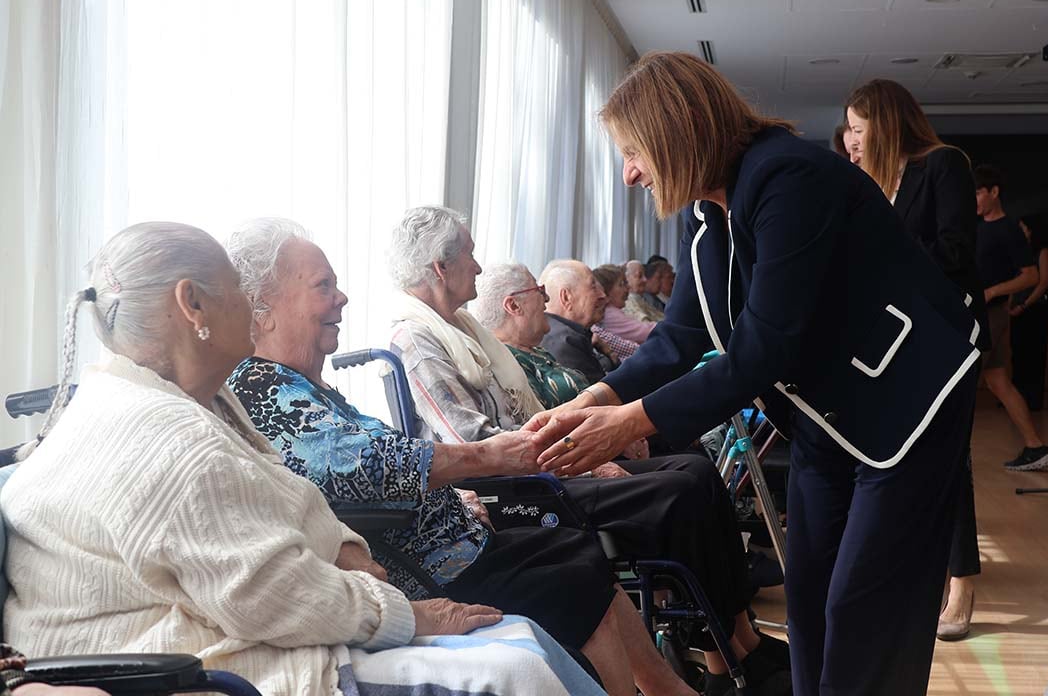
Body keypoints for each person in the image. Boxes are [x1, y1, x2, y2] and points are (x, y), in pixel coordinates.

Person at [528, 51, 981, 696]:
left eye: (634, 152)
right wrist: (588, 402)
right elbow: (682, 335)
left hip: (909, 402)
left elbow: (763, 348)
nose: (629, 175)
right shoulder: (707, 214)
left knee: (864, 604)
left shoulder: (789, 177)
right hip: (831, 416)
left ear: (676, 132)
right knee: (810, 592)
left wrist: (628, 421)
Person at [1, 222, 600, 696]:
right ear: (193, 306)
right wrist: (402, 612)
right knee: (516, 665)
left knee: (521, 637)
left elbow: (286, 492)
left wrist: (345, 549)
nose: (250, 304)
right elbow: (270, 595)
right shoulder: (166, 439)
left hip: (228, 632)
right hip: (207, 666)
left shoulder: (173, 400)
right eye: (238, 290)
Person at [223, 219, 651, 695]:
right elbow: (363, 466)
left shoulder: (301, 384)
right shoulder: (264, 388)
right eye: (324, 287)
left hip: (454, 546)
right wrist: (489, 456)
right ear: (262, 309)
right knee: (571, 569)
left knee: (574, 550)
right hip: (425, 574)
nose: (341, 298)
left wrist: (458, 487)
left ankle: (655, 686)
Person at [386, 206, 791, 696]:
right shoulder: (417, 338)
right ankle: (723, 658)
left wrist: (588, 442)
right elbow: (472, 440)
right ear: (439, 268)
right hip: (513, 486)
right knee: (679, 490)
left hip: (543, 463)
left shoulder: (464, 328)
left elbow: (527, 416)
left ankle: (737, 639)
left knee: (695, 471)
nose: (477, 265)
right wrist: (585, 451)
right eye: (470, 255)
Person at [843, 78, 986, 643]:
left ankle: (962, 585)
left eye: (857, 128)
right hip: (895, 342)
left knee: (953, 460)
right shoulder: (874, 184)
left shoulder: (943, 164)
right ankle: (919, 575)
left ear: (885, 122)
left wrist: (880, 252)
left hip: (946, 338)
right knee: (907, 458)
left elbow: (955, 254)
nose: (850, 139)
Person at [974, 165, 1048, 471]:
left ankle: (950, 458)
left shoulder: (1009, 229)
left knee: (964, 382)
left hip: (990, 316)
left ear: (994, 192)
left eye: (979, 193)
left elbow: (1031, 276)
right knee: (998, 382)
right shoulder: (978, 226)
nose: (975, 199)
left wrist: (992, 292)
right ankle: (1036, 447)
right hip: (980, 312)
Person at [473, 262, 592, 409]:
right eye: (539, 290)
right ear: (514, 306)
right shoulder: (502, 365)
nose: (547, 298)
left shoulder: (536, 351)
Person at [542, 260, 622, 382]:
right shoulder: (566, 342)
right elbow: (601, 396)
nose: (603, 296)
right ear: (566, 297)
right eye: (593, 287)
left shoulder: (564, 331)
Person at [1010, 215, 1048, 411]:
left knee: (1035, 354)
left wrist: (1025, 305)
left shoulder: (1043, 252)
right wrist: (1012, 304)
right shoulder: (1021, 252)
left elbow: (1044, 282)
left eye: (1023, 228)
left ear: (1032, 230)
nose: (1020, 231)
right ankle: (1017, 397)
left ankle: (1033, 398)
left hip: (1036, 309)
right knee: (1018, 353)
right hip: (1018, 309)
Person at [593, 263, 656, 348]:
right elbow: (644, 332)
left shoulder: (611, 311)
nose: (627, 288)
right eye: (621, 284)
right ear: (606, 292)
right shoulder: (610, 314)